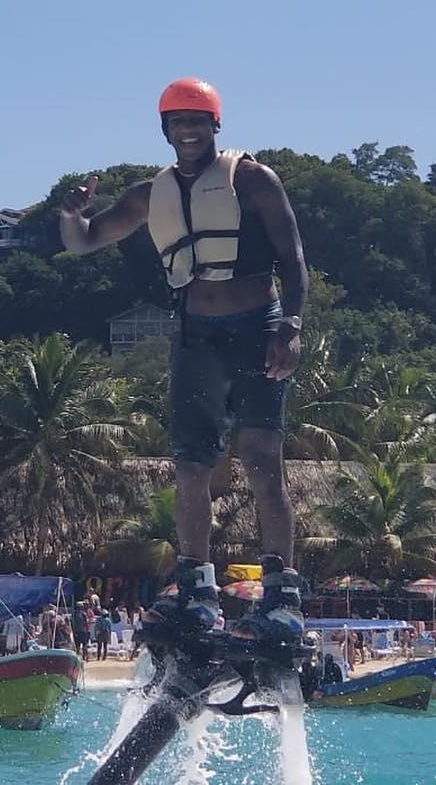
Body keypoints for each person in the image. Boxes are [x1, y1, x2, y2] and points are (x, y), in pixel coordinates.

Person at [58, 77, 308, 645]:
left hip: (256, 326)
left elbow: (293, 260)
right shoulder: (151, 194)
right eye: (178, 122)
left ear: (215, 125)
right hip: (196, 335)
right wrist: (72, 215)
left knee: (262, 458)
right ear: (166, 130)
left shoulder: (253, 179)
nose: (188, 131)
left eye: (198, 121)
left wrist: (290, 328)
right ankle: (196, 588)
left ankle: (282, 595)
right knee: (191, 464)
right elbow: (86, 241)